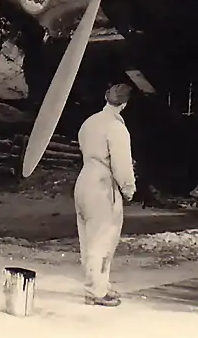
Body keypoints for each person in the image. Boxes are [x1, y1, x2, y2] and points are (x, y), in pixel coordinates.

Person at [74, 83, 137, 307]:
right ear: (125, 104)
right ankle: (95, 291)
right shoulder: (116, 127)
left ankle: (99, 284)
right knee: (104, 238)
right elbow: (121, 163)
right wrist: (128, 188)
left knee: (88, 238)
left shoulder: (89, 122)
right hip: (102, 182)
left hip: (84, 179)